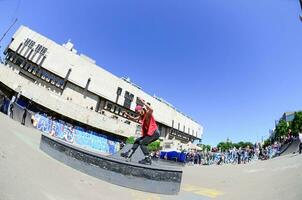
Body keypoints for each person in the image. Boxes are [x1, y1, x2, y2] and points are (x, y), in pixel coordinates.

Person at [121, 98, 160, 165]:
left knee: (142, 143)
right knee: (137, 140)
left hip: (154, 132)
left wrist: (142, 102)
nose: (138, 113)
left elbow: (151, 109)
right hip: (150, 134)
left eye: (138, 112)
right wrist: (127, 114)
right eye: (137, 112)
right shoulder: (141, 116)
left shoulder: (148, 113)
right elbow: (134, 118)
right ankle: (129, 154)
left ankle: (148, 159)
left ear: (141, 109)